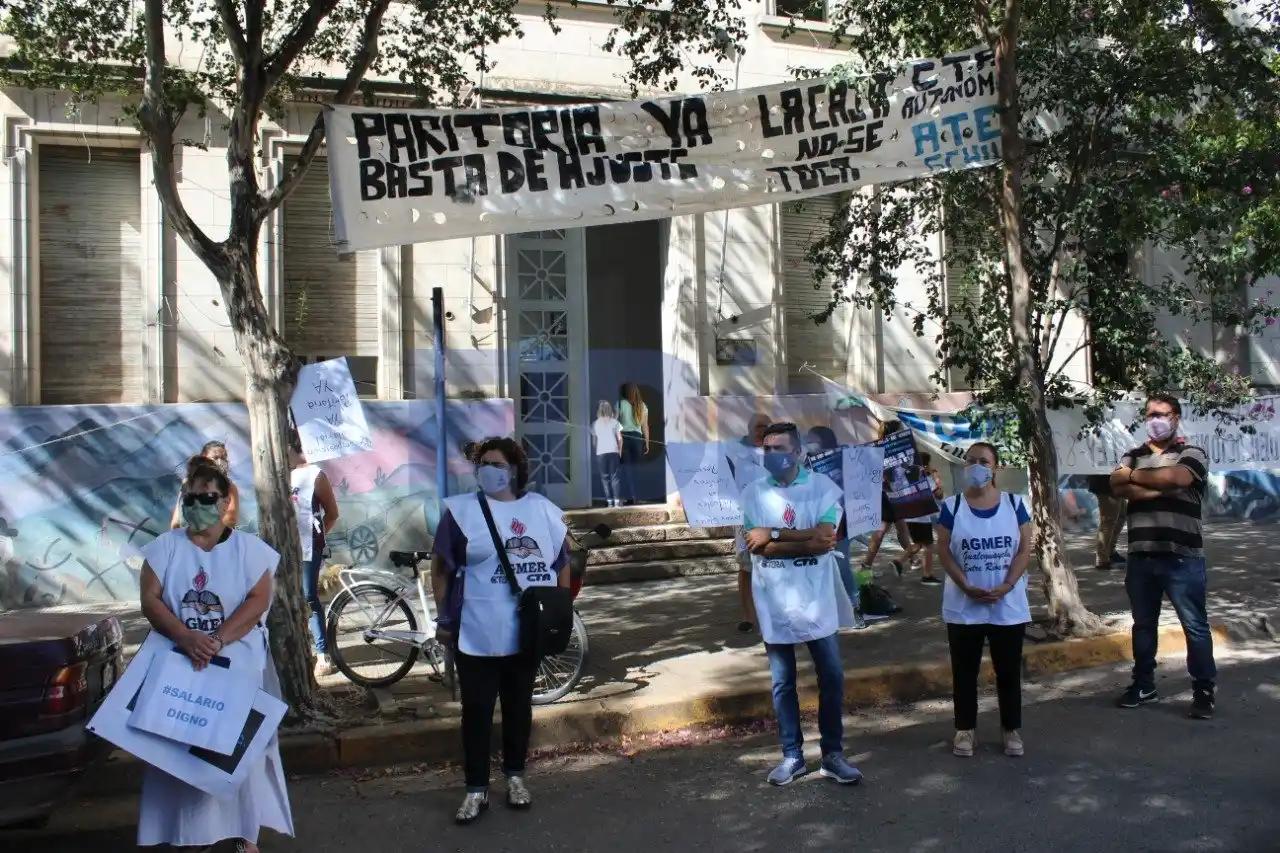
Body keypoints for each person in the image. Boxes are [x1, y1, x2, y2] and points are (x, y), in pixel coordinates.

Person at [136, 462, 292, 851]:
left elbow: (258, 601)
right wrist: (186, 637)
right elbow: (150, 600)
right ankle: (189, 836)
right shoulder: (164, 548)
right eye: (190, 498)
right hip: (178, 665)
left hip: (235, 667)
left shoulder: (251, 552)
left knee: (238, 753)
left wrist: (216, 640)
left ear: (224, 502)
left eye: (207, 497)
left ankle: (244, 833)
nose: (198, 505)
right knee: (180, 754)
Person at [429, 437, 572, 825]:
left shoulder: (542, 511)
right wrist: (445, 619)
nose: (486, 470)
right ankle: (476, 788)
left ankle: (515, 777)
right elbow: (440, 570)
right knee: (475, 712)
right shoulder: (461, 513)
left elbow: (562, 563)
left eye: (495, 463)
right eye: (482, 463)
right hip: (475, 633)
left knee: (518, 709)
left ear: (513, 469)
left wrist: (558, 610)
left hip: (525, 634)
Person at [741, 422, 863, 787]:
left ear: (797, 453)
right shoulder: (752, 494)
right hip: (775, 600)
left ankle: (832, 755)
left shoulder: (823, 489)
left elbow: (825, 540)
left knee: (832, 676)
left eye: (779, 448)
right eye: (767, 448)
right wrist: (802, 540)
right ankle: (792, 756)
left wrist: (774, 535)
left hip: (816, 599)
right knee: (783, 683)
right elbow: (754, 544)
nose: (772, 455)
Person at [1109, 393, 1216, 719]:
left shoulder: (1192, 453)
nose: (1157, 419)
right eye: (1152, 414)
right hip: (1142, 557)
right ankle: (1144, 684)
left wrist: (1139, 479)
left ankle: (1203, 689)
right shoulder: (1133, 453)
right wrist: (1161, 485)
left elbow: (1179, 477)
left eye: (1164, 414)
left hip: (1182, 557)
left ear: (1176, 418)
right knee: (1143, 625)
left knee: (1194, 626)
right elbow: (1116, 483)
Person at [936, 442, 1033, 759]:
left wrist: (1006, 585)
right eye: (970, 461)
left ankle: (1011, 729)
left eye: (983, 461)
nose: (976, 466)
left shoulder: (1015, 503)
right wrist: (965, 585)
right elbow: (944, 552)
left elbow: (1023, 550)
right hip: (964, 607)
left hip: (1007, 605)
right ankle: (965, 731)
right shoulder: (951, 507)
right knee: (964, 673)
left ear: (996, 467)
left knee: (1008, 672)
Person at [290, 435, 340, 677]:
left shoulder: (315, 475)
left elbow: (332, 513)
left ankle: (322, 653)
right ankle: (298, 651)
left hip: (309, 547)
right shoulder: (276, 473)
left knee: (309, 596)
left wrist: (317, 538)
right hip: (284, 548)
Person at [804, 425, 863, 625]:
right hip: (817, 521)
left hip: (842, 520)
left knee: (841, 564)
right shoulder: (807, 462)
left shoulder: (842, 457)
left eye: (812, 439)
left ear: (824, 441)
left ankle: (855, 606)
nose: (808, 443)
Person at [860, 422, 923, 575]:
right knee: (882, 532)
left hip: (895, 494)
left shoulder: (891, 449)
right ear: (893, 433)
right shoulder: (882, 450)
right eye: (900, 430)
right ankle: (866, 566)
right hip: (888, 495)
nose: (903, 432)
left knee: (901, 530)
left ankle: (913, 558)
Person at [732, 414, 772, 633]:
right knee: (746, 568)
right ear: (749, 429)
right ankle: (748, 616)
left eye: (766, 427)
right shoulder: (736, 452)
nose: (762, 430)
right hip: (743, 520)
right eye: (758, 427)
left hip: (772, 520)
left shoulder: (778, 453)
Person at [170, 441, 240, 529]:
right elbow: (176, 520)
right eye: (215, 457)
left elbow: (231, 519)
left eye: (223, 458)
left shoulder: (230, 487)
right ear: (204, 458)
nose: (219, 462)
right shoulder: (188, 483)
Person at [905, 452, 944, 586]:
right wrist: (937, 482)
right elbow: (939, 495)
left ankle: (926, 574)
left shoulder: (907, 478)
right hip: (923, 517)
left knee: (921, 544)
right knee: (927, 545)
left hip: (910, 515)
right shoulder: (927, 479)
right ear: (926, 464)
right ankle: (926, 575)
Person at [616, 383, 650, 506]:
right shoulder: (643, 406)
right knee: (635, 469)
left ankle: (628, 497)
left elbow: (615, 423)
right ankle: (636, 496)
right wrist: (646, 442)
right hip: (637, 439)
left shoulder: (621, 404)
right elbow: (645, 426)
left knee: (625, 469)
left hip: (623, 438)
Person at [1087, 474, 1127, 570]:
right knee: (1108, 521)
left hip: (1116, 482)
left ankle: (1110, 551)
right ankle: (1102, 560)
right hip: (1105, 483)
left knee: (1121, 515)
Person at [591, 400, 623, 508]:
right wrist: (620, 451)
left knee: (605, 478)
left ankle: (609, 501)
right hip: (613, 451)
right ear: (610, 410)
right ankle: (617, 502)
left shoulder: (595, 424)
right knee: (615, 477)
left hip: (601, 452)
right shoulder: (615, 422)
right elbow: (620, 439)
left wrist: (596, 451)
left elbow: (594, 442)